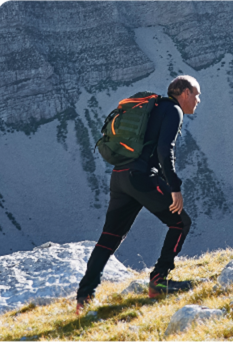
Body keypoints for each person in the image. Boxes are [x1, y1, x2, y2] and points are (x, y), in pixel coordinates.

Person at [76, 75, 201, 313]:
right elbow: (166, 150)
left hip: (120, 175)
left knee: (110, 236)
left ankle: (84, 297)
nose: (198, 100)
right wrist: (175, 187)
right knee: (180, 223)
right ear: (184, 93)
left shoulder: (154, 107)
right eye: (196, 94)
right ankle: (159, 281)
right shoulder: (173, 110)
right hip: (141, 177)